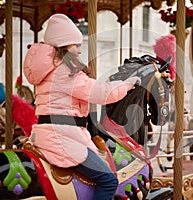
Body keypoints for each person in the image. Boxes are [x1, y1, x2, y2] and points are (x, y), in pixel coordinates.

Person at [23, 14, 141, 200]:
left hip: (51, 133)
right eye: (76, 45)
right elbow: (102, 94)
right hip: (63, 137)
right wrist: (126, 84)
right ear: (64, 45)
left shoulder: (50, 69)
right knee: (109, 179)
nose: (79, 50)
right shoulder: (64, 71)